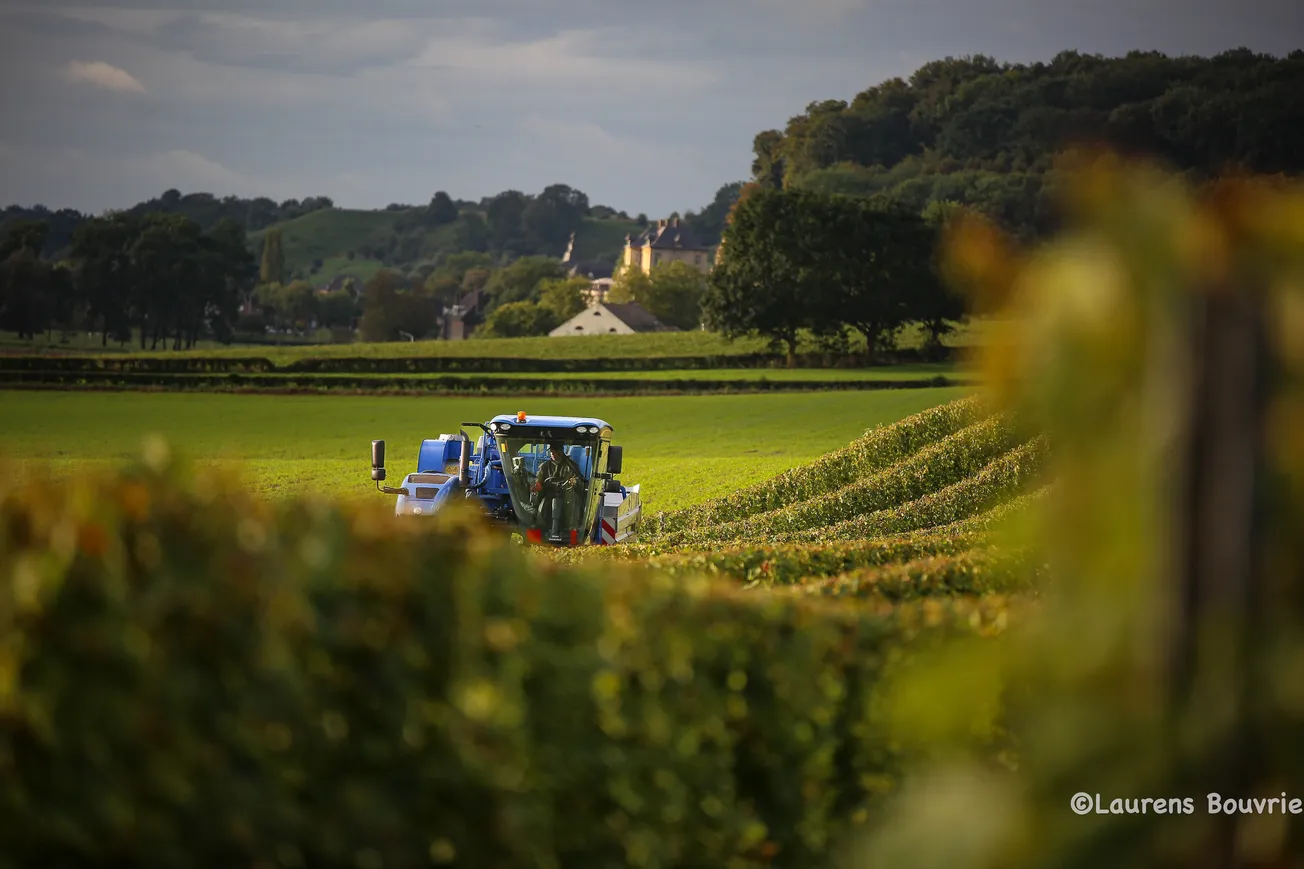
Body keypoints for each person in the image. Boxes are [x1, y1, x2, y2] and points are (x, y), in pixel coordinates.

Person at [531, 444, 582, 535]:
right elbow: (539, 480)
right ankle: (534, 522)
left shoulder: (571, 466)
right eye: (551, 452)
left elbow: (578, 479)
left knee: (574, 500)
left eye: (554, 452)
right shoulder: (545, 466)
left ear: (560, 452)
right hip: (549, 493)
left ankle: (572, 527)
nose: (552, 454)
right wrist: (537, 484)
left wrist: (573, 481)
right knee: (537, 499)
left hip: (566, 494)